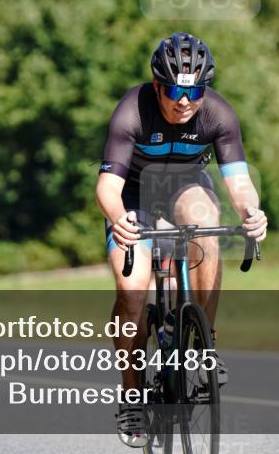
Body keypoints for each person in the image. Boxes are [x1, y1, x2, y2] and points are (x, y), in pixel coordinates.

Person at [96, 32, 268, 447]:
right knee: (132, 290)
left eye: (195, 91)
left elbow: (240, 183)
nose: (185, 101)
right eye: (174, 90)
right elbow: (106, 186)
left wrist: (251, 213)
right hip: (133, 193)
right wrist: (119, 220)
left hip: (186, 186)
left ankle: (201, 342)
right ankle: (133, 394)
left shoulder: (218, 115)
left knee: (206, 224)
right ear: (157, 86)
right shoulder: (131, 111)